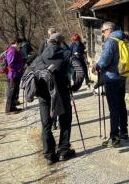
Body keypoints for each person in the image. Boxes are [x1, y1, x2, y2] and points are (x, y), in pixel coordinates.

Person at [35, 32, 84, 165]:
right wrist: (75, 86)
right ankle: (63, 151)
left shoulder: (41, 56)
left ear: (49, 41)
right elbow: (80, 71)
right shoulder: (67, 54)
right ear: (61, 42)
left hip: (44, 95)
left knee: (46, 125)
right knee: (65, 121)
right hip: (62, 93)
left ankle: (49, 155)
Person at [92, 22, 128, 148]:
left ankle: (115, 137)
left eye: (103, 31)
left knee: (113, 108)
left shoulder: (110, 42)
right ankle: (124, 131)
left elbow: (104, 60)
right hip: (122, 77)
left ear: (109, 30)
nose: (102, 33)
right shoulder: (122, 39)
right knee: (121, 105)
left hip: (112, 79)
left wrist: (96, 66)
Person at [5, 38, 24, 113]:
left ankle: (13, 107)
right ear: (17, 43)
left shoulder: (15, 50)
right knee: (11, 92)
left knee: (15, 91)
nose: (21, 45)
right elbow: (10, 64)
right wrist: (19, 67)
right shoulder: (12, 50)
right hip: (13, 74)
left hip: (17, 74)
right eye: (20, 44)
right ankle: (8, 109)